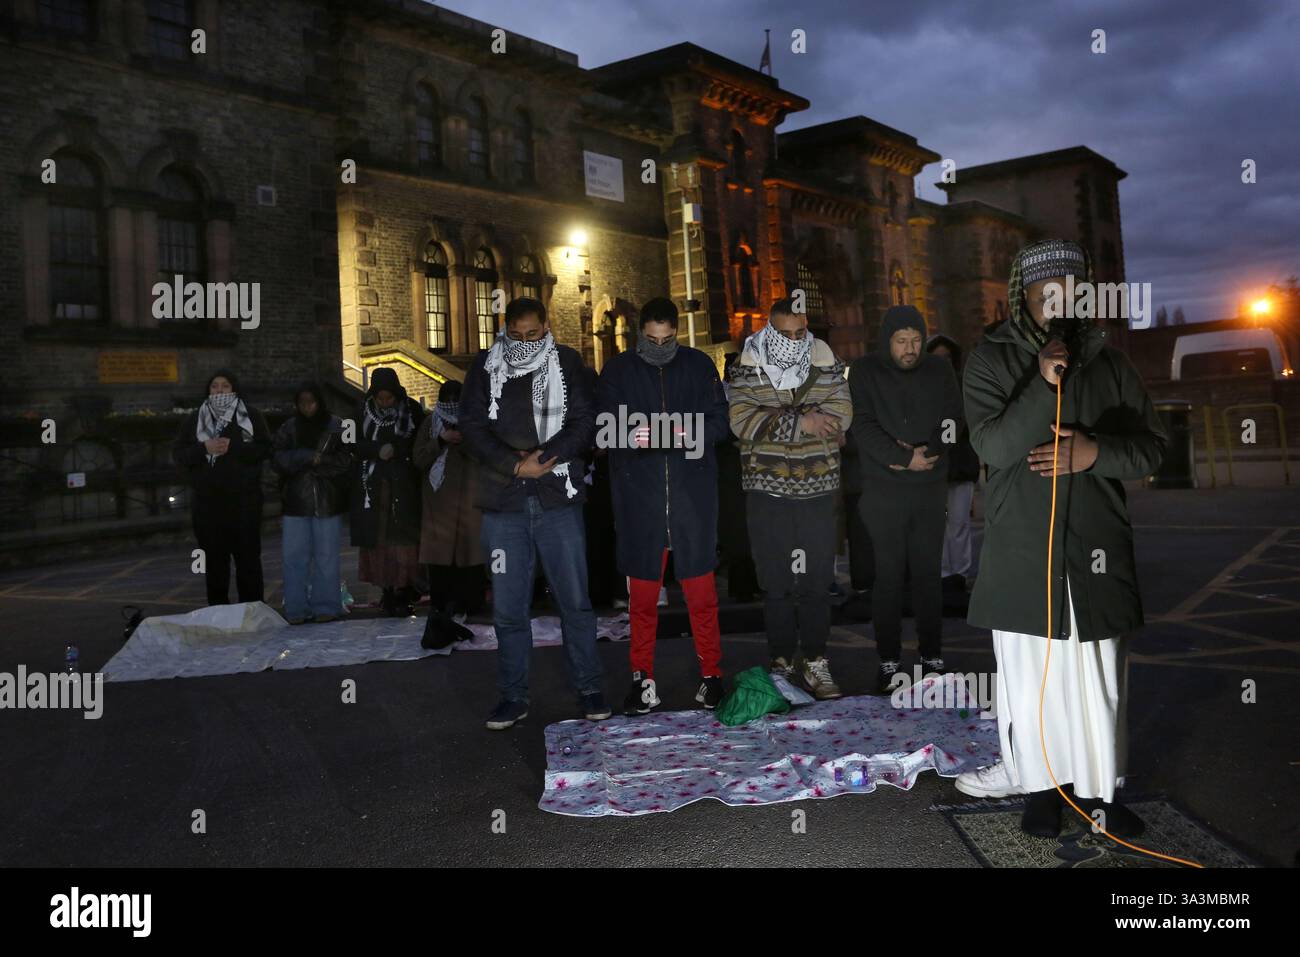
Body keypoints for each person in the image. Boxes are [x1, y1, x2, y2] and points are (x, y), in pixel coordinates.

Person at [955, 238, 1167, 839]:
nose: (1058, 302)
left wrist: (1093, 452)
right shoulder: (991, 358)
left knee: (1096, 677)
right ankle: (1041, 791)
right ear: (1022, 295)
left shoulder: (1111, 363)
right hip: (1024, 545)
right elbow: (992, 446)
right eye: (1045, 292)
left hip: (1095, 543)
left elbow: (1152, 448)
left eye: (1070, 291)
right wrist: (1040, 382)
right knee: (1031, 674)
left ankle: (1099, 792)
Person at [459, 297, 609, 730]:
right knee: (508, 608)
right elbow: (471, 425)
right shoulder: (485, 365)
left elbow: (585, 419)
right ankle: (513, 696)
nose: (525, 342)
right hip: (503, 502)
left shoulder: (566, 361)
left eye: (534, 334)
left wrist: (545, 457)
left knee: (575, 602)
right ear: (505, 331)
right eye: (517, 335)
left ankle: (589, 687)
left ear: (547, 326)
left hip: (557, 497)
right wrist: (512, 464)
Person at [597, 297, 731, 714]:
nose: (660, 347)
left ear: (678, 332)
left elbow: (721, 421)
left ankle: (712, 675)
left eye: (668, 339)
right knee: (642, 600)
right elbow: (604, 427)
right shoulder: (618, 369)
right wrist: (645, 434)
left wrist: (679, 432)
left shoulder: (698, 365)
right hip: (641, 500)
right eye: (652, 340)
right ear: (640, 334)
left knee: (701, 595)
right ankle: (642, 679)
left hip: (692, 500)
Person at [728, 297, 852, 699]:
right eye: (785, 334)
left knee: (816, 583)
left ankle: (815, 660)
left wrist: (778, 417)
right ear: (769, 330)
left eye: (801, 333)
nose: (795, 341)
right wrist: (804, 420)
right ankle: (781, 662)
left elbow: (841, 413)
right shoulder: (748, 364)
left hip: (817, 488)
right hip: (767, 490)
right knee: (776, 585)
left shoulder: (824, 358)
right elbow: (742, 421)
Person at [849, 305, 963, 693]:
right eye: (902, 342)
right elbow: (860, 423)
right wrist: (900, 458)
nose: (910, 349)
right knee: (889, 578)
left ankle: (932, 657)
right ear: (888, 342)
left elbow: (953, 420)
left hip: (929, 488)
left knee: (929, 576)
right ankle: (889, 661)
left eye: (916, 340)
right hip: (884, 492)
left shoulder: (939, 370)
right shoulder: (865, 371)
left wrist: (925, 454)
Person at [173, 370, 272, 607]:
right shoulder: (195, 418)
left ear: (234, 389)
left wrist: (235, 447)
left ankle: (252, 611)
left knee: (248, 562)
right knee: (215, 565)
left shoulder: (251, 416)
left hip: (244, 503)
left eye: (225, 386)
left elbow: (265, 448)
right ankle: (219, 613)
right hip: (209, 506)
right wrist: (204, 447)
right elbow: (179, 454)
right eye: (214, 386)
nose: (219, 391)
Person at [271, 382, 352, 624]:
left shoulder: (337, 425)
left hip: (327, 498)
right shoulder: (289, 427)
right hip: (296, 500)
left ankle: (326, 606)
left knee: (327, 557)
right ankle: (296, 608)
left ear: (320, 401)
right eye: (302, 402)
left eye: (311, 402)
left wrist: (321, 462)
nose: (307, 407)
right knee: (294, 557)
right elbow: (276, 459)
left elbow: (347, 460)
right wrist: (307, 457)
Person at [412, 379, 485, 648]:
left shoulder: (476, 422)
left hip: (469, 500)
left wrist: (463, 440)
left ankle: (471, 605)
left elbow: (485, 455)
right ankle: (442, 607)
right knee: (441, 559)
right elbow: (418, 458)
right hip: (438, 502)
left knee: (470, 557)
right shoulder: (430, 423)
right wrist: (441, 440)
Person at [350, 367, 426, 617]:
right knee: (379, 540)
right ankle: (387, 590)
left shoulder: (412, 410)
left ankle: (404, 590)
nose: (384, 403)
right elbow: (349, 442)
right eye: (380, 398)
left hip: (403, 485)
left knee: (402, 540)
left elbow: (419, 441)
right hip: (372, 485)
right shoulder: (359, 411)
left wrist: (396, 448)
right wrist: (375, 450)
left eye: (389, 398)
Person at [925, 335, 981, 595]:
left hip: (960, 465)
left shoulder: (965, 386)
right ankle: (943, 573)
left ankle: (959, 573)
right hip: (933, 467)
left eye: (946, 357)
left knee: (959, 522)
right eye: (937, 357)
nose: (942, 362)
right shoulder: (920, 387)